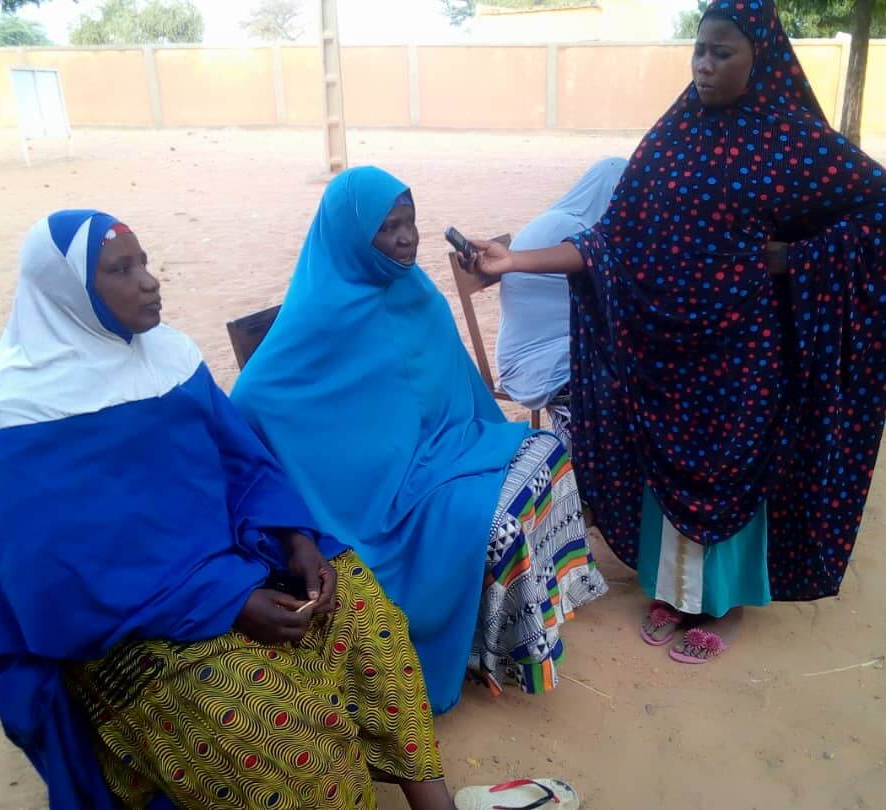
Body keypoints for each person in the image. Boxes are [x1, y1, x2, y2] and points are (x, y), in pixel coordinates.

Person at [0, 210, 458, 810]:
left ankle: (435, 803)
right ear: (68, 294)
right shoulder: (16, 424)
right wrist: (224, 602)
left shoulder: (166, 358)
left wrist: (296, 538)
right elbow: (54, 590)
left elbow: (242, 464)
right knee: (273, 740)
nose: (149, 281)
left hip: (223, 570)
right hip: (128, 632)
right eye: (121, 269)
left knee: (357, 601)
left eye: (144, 261)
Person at [467, 0, 886, 664]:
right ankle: (675, 593)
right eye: (699, 50)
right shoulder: (671, 138)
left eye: (722, 52)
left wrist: (799, 257)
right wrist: (515, 261)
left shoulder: (788, 140)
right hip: (668, 350)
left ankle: (724, 605)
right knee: (671, 470)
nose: (704, 66)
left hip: (744, 352)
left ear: (758, 55)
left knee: (731, 473)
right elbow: (610, 244)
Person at [230, 169, 607, 714]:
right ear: (353, 239)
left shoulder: (415, 292)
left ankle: (522, 628)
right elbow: (253, 399)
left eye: (410, 222)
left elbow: (449, 390)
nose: (406, 238)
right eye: (388, 228)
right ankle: (487, 647)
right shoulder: (319, 317)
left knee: (546, 449)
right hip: (380, 502)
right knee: (490, 522)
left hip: (445, 447)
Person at [496, 157, 628, 450]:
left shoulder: (575, 221)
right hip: (534, 362)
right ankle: (579, 463)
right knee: (620, 382)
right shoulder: (569, 228)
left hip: (555, 345)